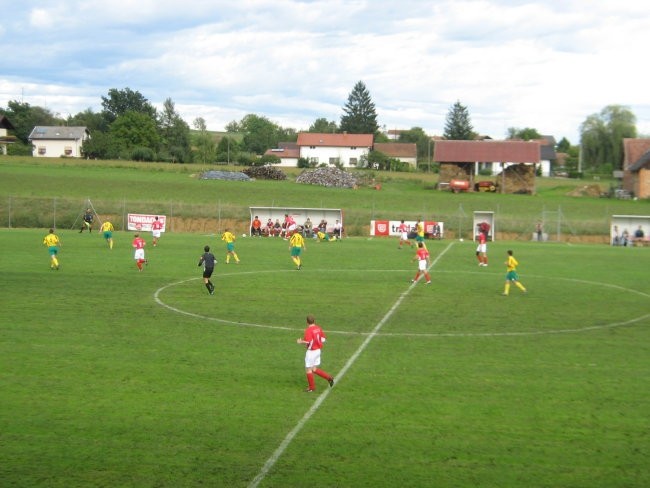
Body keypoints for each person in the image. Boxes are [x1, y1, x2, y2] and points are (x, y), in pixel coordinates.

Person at [296, 315, 334, 392]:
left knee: (308, 370)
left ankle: (311, 388)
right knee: (314, 369)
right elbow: (323, 339)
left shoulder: (308, 330)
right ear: (314, 321)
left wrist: (300, 342)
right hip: (318, 351)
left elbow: (308, 341)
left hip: (311, 352)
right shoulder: (318, 328)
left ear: (307, 322)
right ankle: (329, 378)